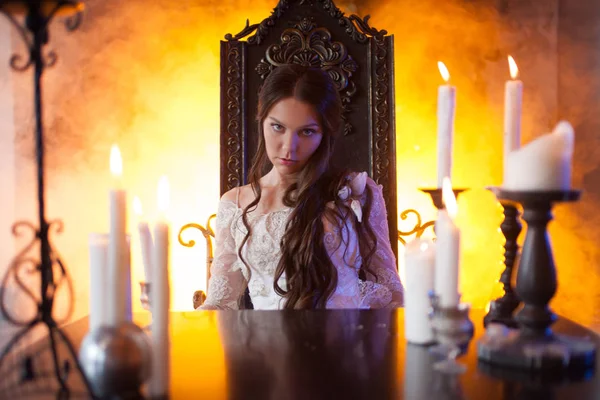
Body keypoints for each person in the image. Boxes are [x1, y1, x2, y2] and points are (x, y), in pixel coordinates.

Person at [200, 64, 403, 310]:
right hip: (265, 345)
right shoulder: (235, 203)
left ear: (324, 134)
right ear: (261, 119)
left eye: (306, 132)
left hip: (345, 343)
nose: (289, 147)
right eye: (278, 127)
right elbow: (220, 303)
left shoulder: (356, 190)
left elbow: (391, 292)